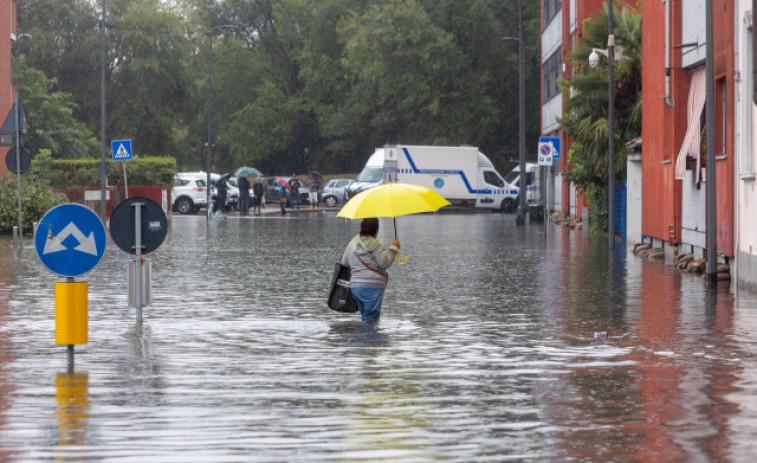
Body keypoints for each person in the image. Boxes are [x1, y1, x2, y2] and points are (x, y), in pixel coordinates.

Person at [341, 218, 400, 323]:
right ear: (376, 230)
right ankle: (369, 339)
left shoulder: (352, 242)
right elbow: (384, 263)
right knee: (371, 320)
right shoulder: (374, 244)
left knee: (366, 317)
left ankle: (361, 339)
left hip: (355, 287)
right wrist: (393, 248)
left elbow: (345, 262)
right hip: (371, 287)